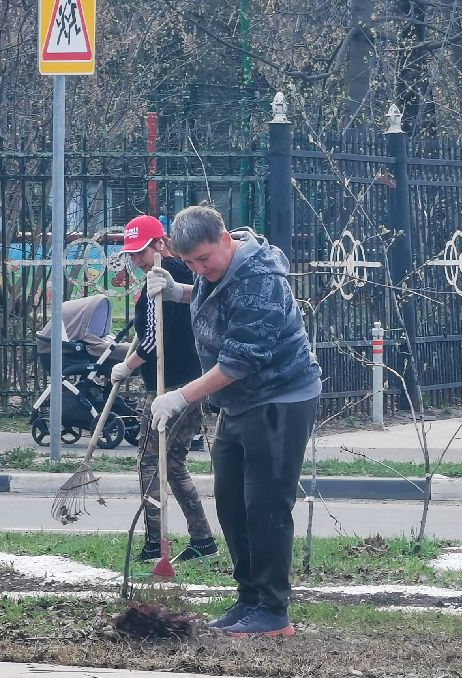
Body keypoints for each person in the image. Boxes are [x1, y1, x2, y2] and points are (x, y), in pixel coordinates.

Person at [146, 205, 322, 639]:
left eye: (204, 259)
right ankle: (249, 598)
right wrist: (178, 291)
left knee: (265, 507)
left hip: (280, 399)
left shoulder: (262, 279)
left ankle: (273, 611)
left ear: (226, 239)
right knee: (231, 502)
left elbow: (240, 361)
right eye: (189, 263)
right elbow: (218, 299)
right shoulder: (216, 272)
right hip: (241, 404)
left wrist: (180, 397)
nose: (199, 269)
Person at [110, 214, 219, 563]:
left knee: (149, 460)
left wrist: (126, 367)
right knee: (171, 462)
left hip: (174, 386)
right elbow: (149, 334)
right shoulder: (181, 275)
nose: (136, 260)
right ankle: (202, 540)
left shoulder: (171, 278)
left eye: (140, 251)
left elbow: (154, 343)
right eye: (131, 254)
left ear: (160, 244)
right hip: (187, 381)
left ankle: (155, 543)